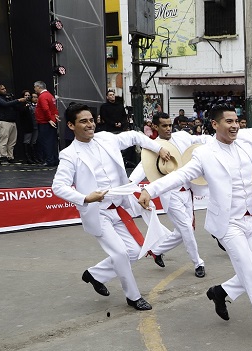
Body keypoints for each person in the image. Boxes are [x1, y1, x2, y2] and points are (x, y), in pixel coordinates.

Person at [138, 104, 252, 343]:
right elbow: (180, 175)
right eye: (228, 122)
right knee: (251, 272)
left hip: (251, 218)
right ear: (214, 124)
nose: (234, 126)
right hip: (228, 224)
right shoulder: (204, 153)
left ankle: (221, 292)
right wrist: (150, 188)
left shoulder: (250, 139)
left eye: (236, 121)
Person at [52, 104, 171, 311]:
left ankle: (95, 274)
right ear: (71, 125)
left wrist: (158, 148)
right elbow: (58, 186)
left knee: (134, 251)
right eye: (83, 121)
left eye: (91, 120)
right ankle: (133, 296)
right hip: (97, 213)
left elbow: (135, 136)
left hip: (119, 207)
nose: (89, 125)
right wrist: (85, 198)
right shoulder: (69, 155)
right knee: (120, 254)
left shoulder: (107, 138)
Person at [129, 112, 208, 278]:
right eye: (164, 125)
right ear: (155, 127)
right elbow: (142, 168)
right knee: (186, 228)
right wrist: (129, 185)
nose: (168, 128)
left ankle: (156, 251)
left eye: (170, 125)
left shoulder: (182, 137)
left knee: (182, 231)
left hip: (187, 192)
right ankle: (198, 263)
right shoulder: (152, 146)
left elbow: (201, 141)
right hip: (171, 196)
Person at [0, 84, 26, 164]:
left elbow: (15, 107)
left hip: (12, 121)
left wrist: (21, 104)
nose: (5, 90)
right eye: (2, 89)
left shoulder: (8, 97)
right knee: (4, 140)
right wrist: (18, 100)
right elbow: (4, 104)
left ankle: (10, 156)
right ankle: (3, 157)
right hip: (3, 121)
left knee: (12, 141)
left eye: (5, 88)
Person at [33, 81, 59, 167]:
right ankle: (54, 159)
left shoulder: (42, 96)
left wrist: (48, 119)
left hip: (45, 122)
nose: (34, 89)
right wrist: (55, 117)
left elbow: (45, 108)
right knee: (52, 141)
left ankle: (49, 160)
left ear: (38, 87)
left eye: (35, 87)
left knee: (46, 141)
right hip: (51, 121)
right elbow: (54, 108)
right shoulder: (50, 95)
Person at [19, 90, 40, 164]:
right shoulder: (23, 105)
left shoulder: (33, 105)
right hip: (28, 126)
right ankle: (28, 158)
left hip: (35, 125)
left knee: (33, 142)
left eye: (28, 95)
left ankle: (34, 157)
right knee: (27, 141)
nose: (27, 97)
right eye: (26, 95)